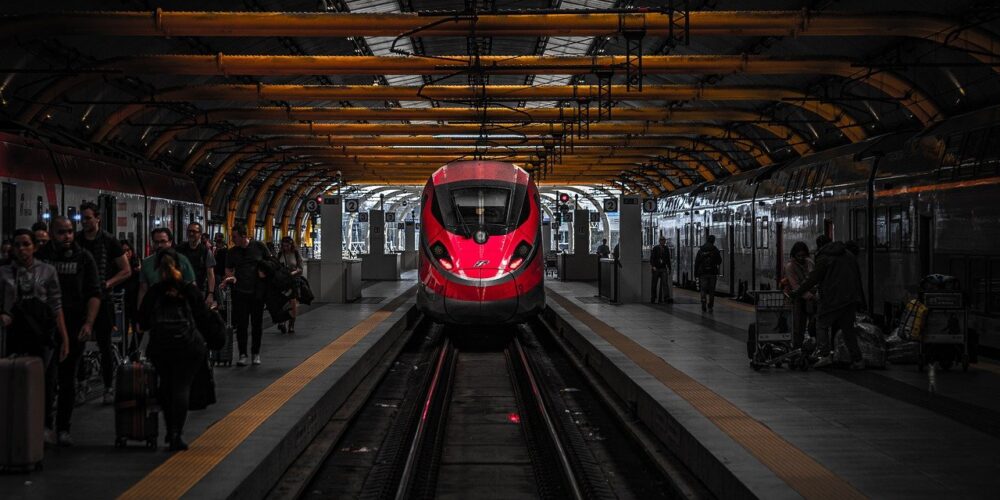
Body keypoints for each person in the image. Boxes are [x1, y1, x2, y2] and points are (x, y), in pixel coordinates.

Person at [0, 228, 70, 445]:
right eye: (17, 244)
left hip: (43, 333)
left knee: (46, 382)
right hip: (14, 333)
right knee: (13, 381)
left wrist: (64, 337)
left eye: (26, 244)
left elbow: (56, 304)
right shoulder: (3, 273)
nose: (21, 249)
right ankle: (16, 426)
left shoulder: (47, 271)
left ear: (34, 247)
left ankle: (44, 426)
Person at [36, 217, 101, 446]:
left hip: (74, 325)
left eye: (71, 232)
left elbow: (94, 292)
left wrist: (89, 323)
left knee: (67, 379)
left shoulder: (83, 258)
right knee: (47, 378)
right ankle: (45, 426)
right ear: (52, 233)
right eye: (62, 232)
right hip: (44, 326)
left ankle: (63, 427)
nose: (67, 236)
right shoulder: (41, 258)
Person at [137, 248, 208, 451]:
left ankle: (169, 429)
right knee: (182, 387)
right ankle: (177, 433)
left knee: (166, 385)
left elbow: (142, 321)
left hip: (160, 347)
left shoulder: (155, 291)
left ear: (158, 268)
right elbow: (203, 316)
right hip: (188, 346)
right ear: (180, 266)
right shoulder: (188, 289)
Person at [76, 202, 131, 404]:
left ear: (98, 218)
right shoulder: (77, 241)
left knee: (105, 345)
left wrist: (107, 283)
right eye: (82, 218)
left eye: (88, 218)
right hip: (81, 300)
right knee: (78, 345)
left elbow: (126, 270)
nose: (84, 222)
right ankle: (82, 383)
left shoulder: (109, 241)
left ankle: (109, 387)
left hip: (104, 300)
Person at [790, 235, 866, 370]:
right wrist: (861, 299)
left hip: (833, 299)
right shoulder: (848, 254)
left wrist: (798, 292)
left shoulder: (824, 257)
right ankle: (858, 360)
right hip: (850, 298)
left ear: (820, 246)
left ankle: (824, 355)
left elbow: (813, 278)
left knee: (821, 323)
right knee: (848, 330)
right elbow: (857, 276)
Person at [223, 225, 271, 366]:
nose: (233, 239)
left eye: (235, 237)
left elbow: (271, 262)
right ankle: (243, 354)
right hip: (240, 293)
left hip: (257, 293)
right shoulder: (232, 252)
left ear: (244, 236)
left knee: (257, 324)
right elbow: (228, 268)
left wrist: (265, 272)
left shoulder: (259, 247)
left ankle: (256, 353)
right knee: (242, 325)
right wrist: (230, 277)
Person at [137, 228, 197, 308]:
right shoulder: (146, 263)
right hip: (155, 307)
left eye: (163, 241)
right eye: (156, 242)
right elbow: (143, 289)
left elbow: (192, 286)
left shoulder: (182, 260)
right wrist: (140, 311)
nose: (159, 245)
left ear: (170, 242)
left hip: (178, 307)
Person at [782, 241, 817, 349]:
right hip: (794, 300)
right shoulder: (790, 267)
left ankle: (801, 347)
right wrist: (812, 296)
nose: (801, 258)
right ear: (794, 255)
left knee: (805, 325)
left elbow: (813, 279)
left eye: (803, 255)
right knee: (795, 326)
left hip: (807, 300)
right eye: (799, 256)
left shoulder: (809, 263)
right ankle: (795, 347)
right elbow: (795, 286)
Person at [176, 222, 217, 307]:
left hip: (199, 290)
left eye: (194, 231)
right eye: (189, 231)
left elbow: (210, 274)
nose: (191, 233)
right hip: (181, 290)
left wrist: (210, 293)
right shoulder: (179, 249)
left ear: (200, 234)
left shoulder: (206, 252)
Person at [276, 236, 303, 334]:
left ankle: (291, 325)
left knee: (293, 303)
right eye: (283, 246)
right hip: (282, 282)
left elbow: (300, 268)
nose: (285, 248)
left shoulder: (295, 254)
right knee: (282, 303)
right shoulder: (280, 255)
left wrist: (293, 273)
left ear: (291, 245)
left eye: (287, 246)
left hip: (293, 281)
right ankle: (282, 322)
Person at [119, 240, 142, 337]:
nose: (126, 253)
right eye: (123, 251)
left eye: (128, 250)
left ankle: (133, 350)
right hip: (121, 302)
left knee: (138, 328)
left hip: (134, 301)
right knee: (121, 329)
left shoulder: (137, 267)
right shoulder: (116, 268)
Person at [694, 234, 723, 312]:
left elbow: (697, 262)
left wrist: (695, 273)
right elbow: (719, 261)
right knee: (711, 290)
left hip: (703, 273)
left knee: (703, 289)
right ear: (713, 241)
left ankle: (703, 301)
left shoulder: (701, 250)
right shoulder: (715, 250)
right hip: (712, 273)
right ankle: (710, 305)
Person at [650, 236, 673, 304]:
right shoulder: (655, 248)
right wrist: (653, 266)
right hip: (656, 268)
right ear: (659, 241)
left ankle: (666, 297)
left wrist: (669, 268)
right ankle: (653, 297)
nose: (663, 242)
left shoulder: (666, 248)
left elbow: (668, 259)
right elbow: (652, 258)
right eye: (662, 240)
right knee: (654, 284)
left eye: (664, 240)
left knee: (665, 283)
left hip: (663, 268)